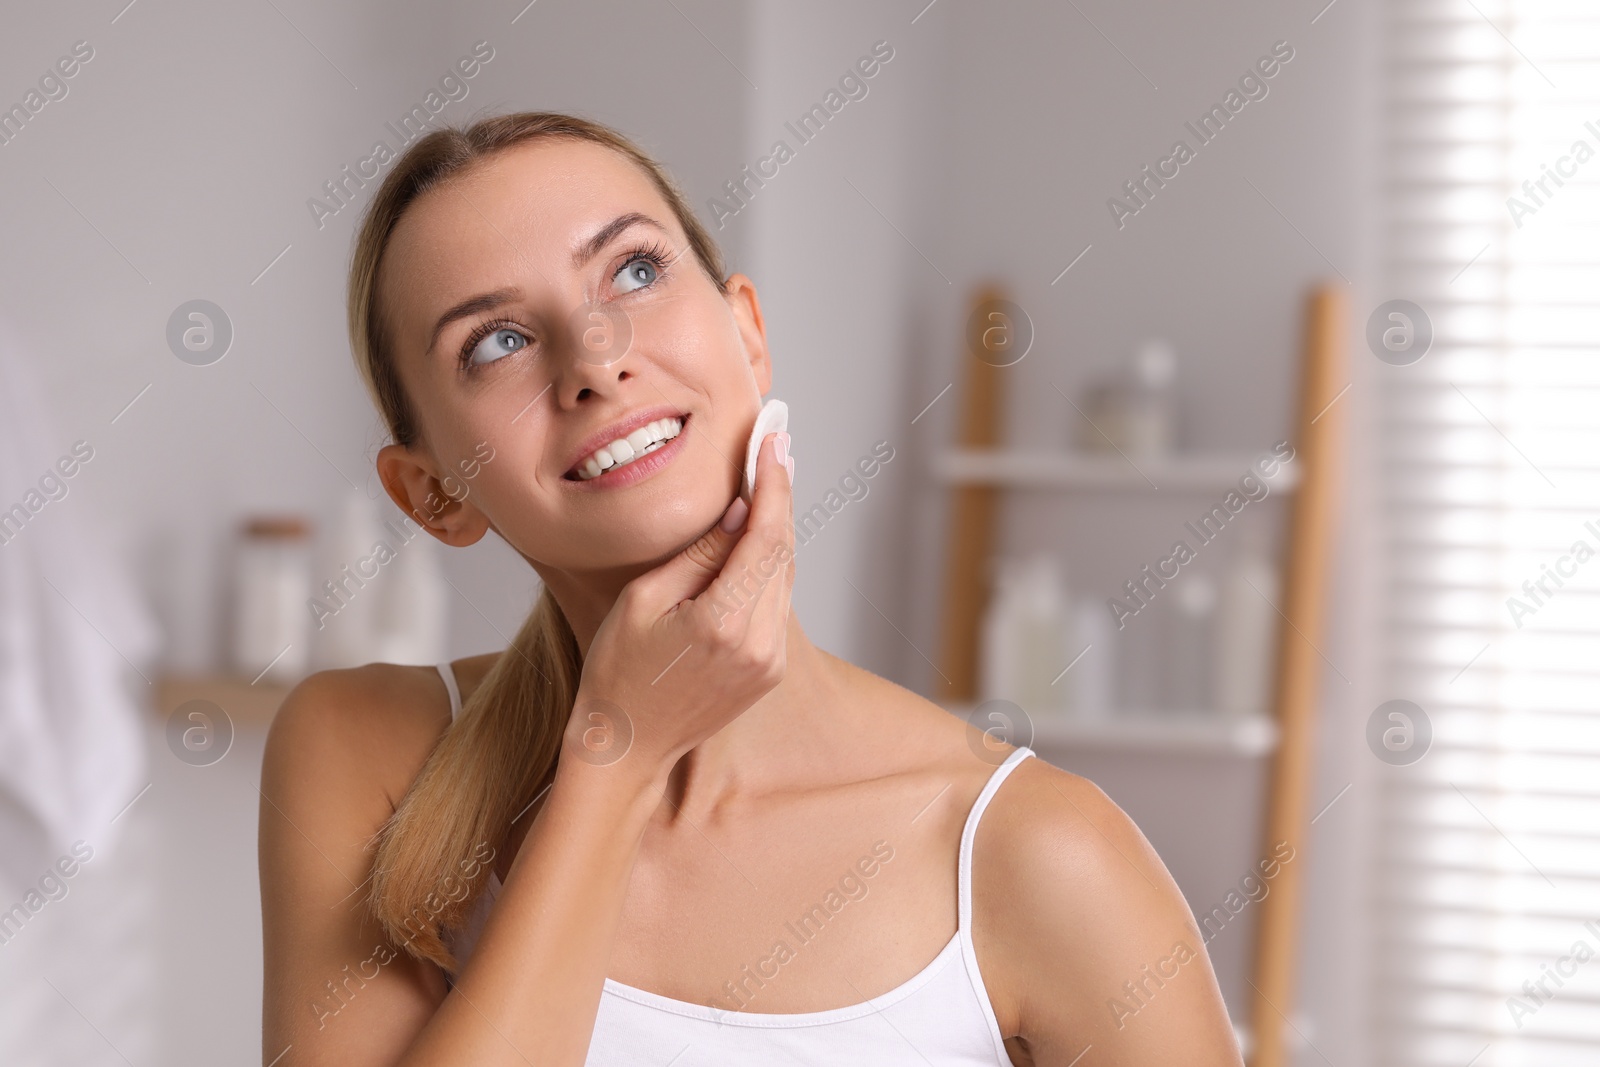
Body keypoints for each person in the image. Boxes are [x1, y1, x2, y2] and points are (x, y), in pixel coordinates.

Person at [259, 111, 1241, 1066]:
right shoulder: (368, 750)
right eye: (496, 342)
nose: (596, 358)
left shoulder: (1038, 853)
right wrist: (618, 758)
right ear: (433, 493)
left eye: (634, 271)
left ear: (747, 332)